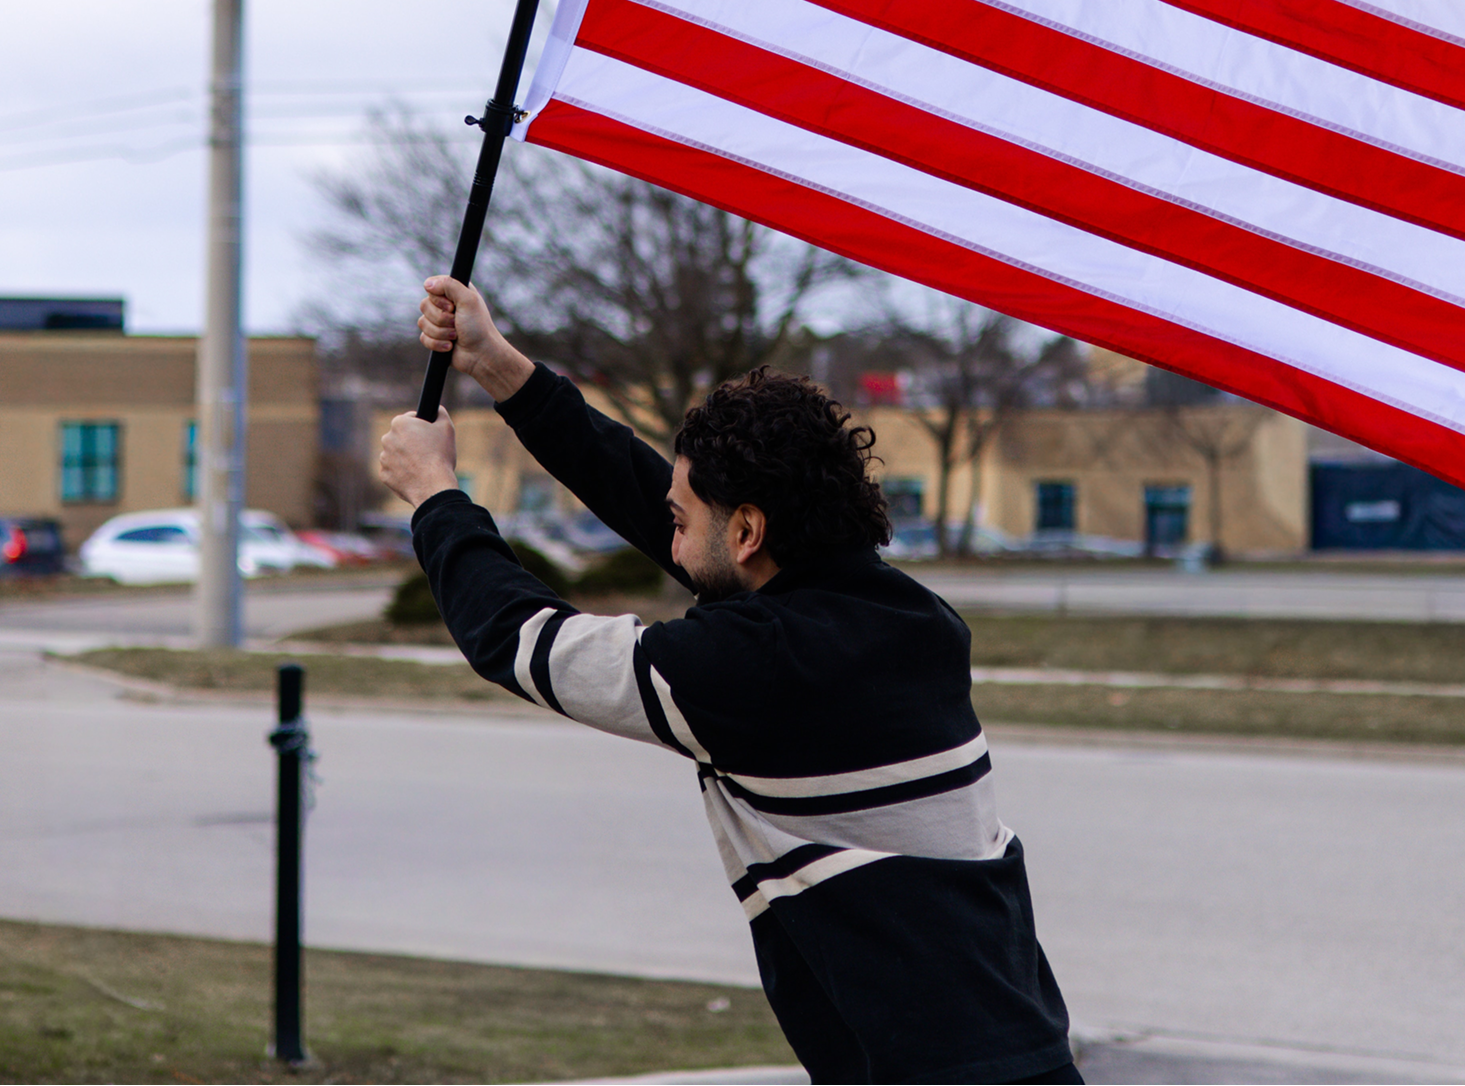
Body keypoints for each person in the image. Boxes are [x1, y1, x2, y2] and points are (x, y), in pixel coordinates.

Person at [377, 274, 1079, 1086]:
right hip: (1017, 1051)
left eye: (684, 522)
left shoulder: (749, 669)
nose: (668, 541)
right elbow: (671, 513)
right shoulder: (908, 618)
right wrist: (497, 367)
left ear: (748, 528)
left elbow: (518, 638)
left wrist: (435, 496)